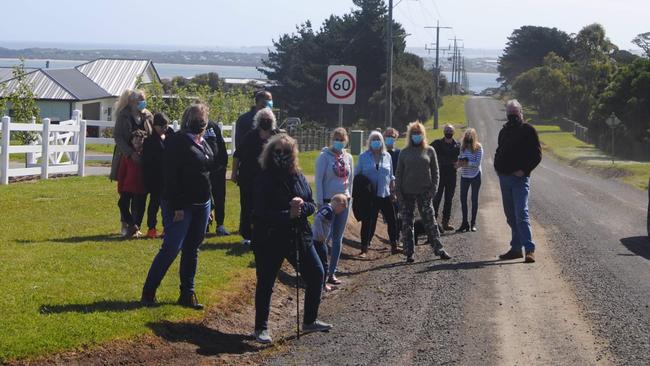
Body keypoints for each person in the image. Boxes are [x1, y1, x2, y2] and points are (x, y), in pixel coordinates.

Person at [252, 134, 332, 344]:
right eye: (278, 152)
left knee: (316, 273)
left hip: (299, 235)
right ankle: (261, 328)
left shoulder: (297, 175)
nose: (282, 156)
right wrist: (287, 214)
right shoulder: (264, 178)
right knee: (266, 282)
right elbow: (259, 212)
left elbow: (311, 203)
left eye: (286, 152)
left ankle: (309, 320)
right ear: (270, 153)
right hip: (270, 237)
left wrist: (301, 207)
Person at [141, 103, 214, 309]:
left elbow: (208, 174)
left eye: (203, 118)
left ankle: (187, 293)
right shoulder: (178, 142)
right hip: (180, 203)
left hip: (202, 203)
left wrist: (211, 206)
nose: (201, 121)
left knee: (192, 248)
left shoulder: (204, 142)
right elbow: (171, 177)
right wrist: (179, 207)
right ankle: (149, 291)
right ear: (188, 119)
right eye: (197, 118)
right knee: (172, 247)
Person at [395, 121, 452, 263]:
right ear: (410, 135)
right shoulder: (404, 152)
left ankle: (439, 248)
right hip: (407, 193)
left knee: (430, 221)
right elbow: (399, 174)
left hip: (424, 193)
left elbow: (435, 172)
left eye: (419, 133)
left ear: (423, 135)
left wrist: (433, 189)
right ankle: (409, 253)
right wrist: (399, 193)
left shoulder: (430, 151)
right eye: (414, 134)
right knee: (407, 224)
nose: (416, 136)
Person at [494, 99, 542, 263]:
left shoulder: (528, 130)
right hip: (504, 178)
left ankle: (529, 249)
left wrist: (524, 170)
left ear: (521, 113)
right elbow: (499, 150)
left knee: (521, 213)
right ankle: (516, 249)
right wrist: (498, 167)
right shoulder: (504, 131)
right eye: (510, 113)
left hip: (520, 179)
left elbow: (537, 155)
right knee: (510, 216)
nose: (512, 116)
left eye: (515, 113)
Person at [231, 108, 281, 247]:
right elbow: (237, 155)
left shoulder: (277, 136)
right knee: (247, 207)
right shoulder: (251, 136)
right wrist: (234, 173)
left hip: (269, 179)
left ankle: (267, 233)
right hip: (248, 178)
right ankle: (247, 235)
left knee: (267, 206)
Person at [110, 89, 152, 235]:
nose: (143, 102)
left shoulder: (147, 115)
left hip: (144, 158)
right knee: (125, 195)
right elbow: (118, 136)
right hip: (126, 157)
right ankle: (125, 224)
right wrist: (130, 153)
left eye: (144, 99)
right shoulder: (124, 115)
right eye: (140, 99)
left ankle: (135, 225)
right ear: (132, 101)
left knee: (139, 195)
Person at [315, 128, 353, 285]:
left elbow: (351, 180)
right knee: (325, 237)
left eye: (341, 139)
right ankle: (320, 272)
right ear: (332, 139)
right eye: (336, 138)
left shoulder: (348, 157)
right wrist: (320, 202)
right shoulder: (324, 157)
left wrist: (350, 198)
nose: (339, 141)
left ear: (346, 141)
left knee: (338, 238)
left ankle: (332, 272)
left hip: (344, 202)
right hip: (328, 202)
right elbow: (318, 180)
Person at [355, 131, 399, 257]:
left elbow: (391, 176)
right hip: (369, 196)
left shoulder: (387, 156)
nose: (376, 141)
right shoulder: (363, 156)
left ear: (381, 141)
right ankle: (364, 248)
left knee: (392, 219)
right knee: (368, 222)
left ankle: (394, 245)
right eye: (373, 139)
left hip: (385, 194)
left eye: (378, 139)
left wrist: (393, 191)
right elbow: (357, 174)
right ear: (369, 141)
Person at [142, 112, 174, 239]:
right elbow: (147, 162)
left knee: (167, 206)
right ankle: (151, 228)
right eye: (162, 126)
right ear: (155, 126)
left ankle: (167, 228)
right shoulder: (150, 141)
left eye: (166, 126)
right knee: (154, 204)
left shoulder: (170, 136)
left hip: (167, 177)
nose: (165, 129)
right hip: (155, 178)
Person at [311, 194, 348, 292]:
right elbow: (318, 218)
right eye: (342, 209)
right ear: (340, 204)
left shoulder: (326, 208)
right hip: (318, 240)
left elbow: (317, 215)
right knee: (323, 264)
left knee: (319, 261)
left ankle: (317, 283)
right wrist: (321, 234)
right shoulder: (329, 211)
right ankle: (322, 285)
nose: (341, 212)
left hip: (317, 240)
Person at [117, 130, 147, 238]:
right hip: (127, 186)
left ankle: (137, 228)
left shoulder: (146, 155)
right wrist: (120, 187)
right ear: (131, 141)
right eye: (135, 139)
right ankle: (132, 224)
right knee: (122, 204)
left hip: (141, 187)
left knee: (139, 208)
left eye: (141, 139)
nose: (138, 141)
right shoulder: (128, 155)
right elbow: (122, 172)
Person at [431, 124, 460, 232]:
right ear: (443, 131)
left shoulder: (457, 145)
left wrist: (459, 163)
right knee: (436, 199)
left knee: (449, 199)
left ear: (454, 132)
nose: (448, 132)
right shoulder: (437, 143)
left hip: (452, 175)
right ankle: (433, 223)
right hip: (439, 174)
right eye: (447, 130)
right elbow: (427, 150)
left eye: (450, 130)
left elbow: (463, 157)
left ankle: (445, 222)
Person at [205, 120, 230, 236]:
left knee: (220, 197)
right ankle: (204, 225)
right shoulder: (191, 125)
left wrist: (223, 165)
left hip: (217, 170)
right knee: (204, 198)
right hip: (203, 171)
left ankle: (220, 225)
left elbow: (221, 144)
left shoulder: (213, 126)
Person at [456, 128, 483, 233]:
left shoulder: (479, 148)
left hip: (475, 175)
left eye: (469, 141)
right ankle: (464, 223)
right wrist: (459, 163)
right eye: (466, 140)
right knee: (463, 199)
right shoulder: (462, 148)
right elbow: (460, 159)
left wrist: (466, 163)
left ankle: (473, 223)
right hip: (464, 175)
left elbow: (477, 163)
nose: (467, 143)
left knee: (474, 199)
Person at [384, 127, 402, 238]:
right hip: (384, 187)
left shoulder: (399, 153)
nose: (390, 138)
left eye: (392, 136)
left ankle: (396, 235)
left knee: (397, 212)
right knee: (388, 214)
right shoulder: (381, 153)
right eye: (388, 136)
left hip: (397, 187)